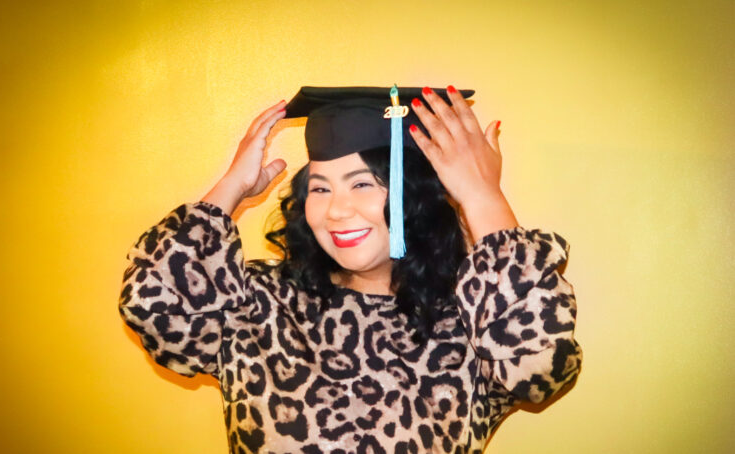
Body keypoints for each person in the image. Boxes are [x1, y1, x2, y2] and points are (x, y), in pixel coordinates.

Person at [119, 85, 582, 454]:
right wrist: (231, 187)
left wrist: (483, 198)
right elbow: (153, 306)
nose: (336, 211)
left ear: (413, 197)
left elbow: (539, 368)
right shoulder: (261, 305)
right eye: (319, 189)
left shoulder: (470, 322)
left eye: (362, 182)